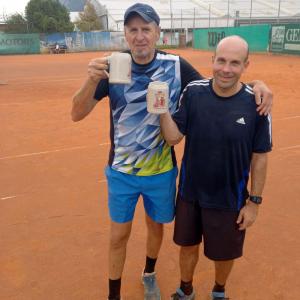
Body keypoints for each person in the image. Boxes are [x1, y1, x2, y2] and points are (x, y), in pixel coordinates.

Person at [71, 3, 272, 299]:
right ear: (125, 34)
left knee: (156, 229)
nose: (140, 36)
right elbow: (77, 113)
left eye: (146, 29)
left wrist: (257, 85)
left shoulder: (175, 65)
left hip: (161, 172)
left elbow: (217, 82)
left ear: (157, 33)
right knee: (118, 236)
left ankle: (149, 274)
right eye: (133, 30)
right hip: (121, 172)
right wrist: (91, 79)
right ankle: (113, 294)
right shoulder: (113, 66)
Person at [159, 36, 272, 300]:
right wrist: (162, 111)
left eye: (234, 63)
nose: (226, 69)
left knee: (225, 254)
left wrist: (254, 202)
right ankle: (185, 289)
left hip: (230, 197)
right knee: (187, 246)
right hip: (190, 194)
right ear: (212, 61)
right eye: (221, 61)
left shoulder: (257, 105)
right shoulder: (194, 92)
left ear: (246, 65)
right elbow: (174, 138)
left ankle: (219, 291)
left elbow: (260, 157)